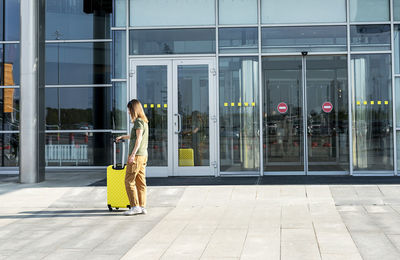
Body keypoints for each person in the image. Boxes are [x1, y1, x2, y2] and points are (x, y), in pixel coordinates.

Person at [116, 99, 149, 216]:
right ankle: (142, 206)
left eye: (130, 110)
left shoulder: (138, 122)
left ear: (134, 109)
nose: (129, 112)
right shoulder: (144, 122)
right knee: (140, 182)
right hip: (143, 156)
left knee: (129, 181)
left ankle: (135, 206)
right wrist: (123, 137)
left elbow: (139, 139)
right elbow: (135, 136)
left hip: (137, 156)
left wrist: (133, 154)